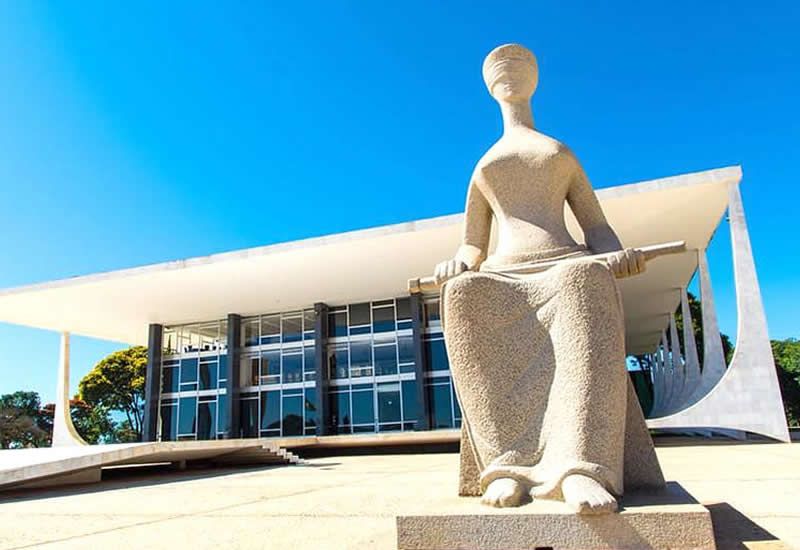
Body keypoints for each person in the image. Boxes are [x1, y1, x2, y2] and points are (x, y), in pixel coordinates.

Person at [434, 44, 645, 514]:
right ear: (489, 89)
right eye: (500, 72)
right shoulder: (485, 165)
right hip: (503, 271)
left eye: (519, 68)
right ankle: (506, 466)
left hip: (563, 263)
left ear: (534, 80)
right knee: (462, 294)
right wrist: (457, 265)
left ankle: (579, 467)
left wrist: (614, 255)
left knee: (584, 280)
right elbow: (472, 245)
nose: (509, 77)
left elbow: (596, 226)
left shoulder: (557, 152)